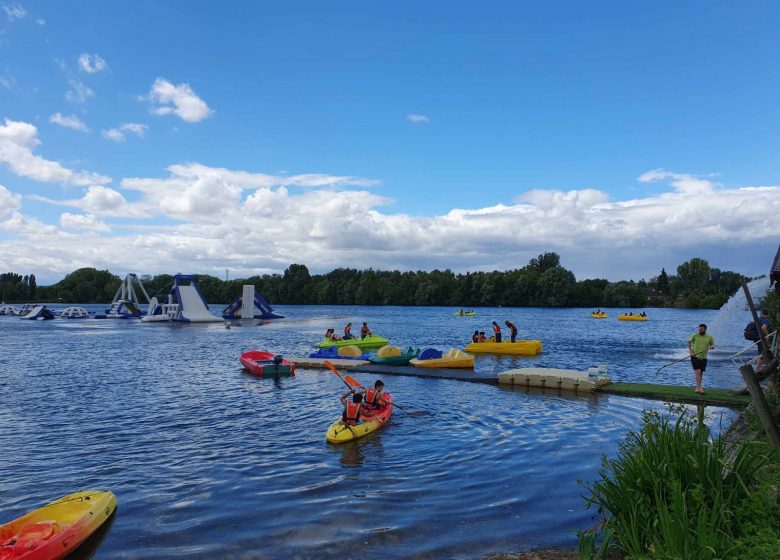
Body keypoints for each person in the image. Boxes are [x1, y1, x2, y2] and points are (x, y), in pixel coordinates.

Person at [687, 323, 715, 394]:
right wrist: (691, 351)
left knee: (700, 373)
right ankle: (700, 388)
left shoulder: (709, 337)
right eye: (699, 329)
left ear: (705, 329)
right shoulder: (695, 335)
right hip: (695, 356)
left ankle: (697, 387)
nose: (699, 330)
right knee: (698, 371)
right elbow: (689, 342)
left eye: (701, 329)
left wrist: (712, 346)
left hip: (704, 357)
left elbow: (712, 344)